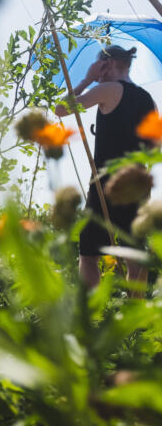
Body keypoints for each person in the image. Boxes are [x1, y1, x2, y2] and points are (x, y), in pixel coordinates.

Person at [55, 45, 157, 289]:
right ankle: (137, 314)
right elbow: (155, 148)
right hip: (138, 181)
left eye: (98, 66)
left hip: (106, 183)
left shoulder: (108, 88)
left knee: (89, 253)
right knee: (134, 252)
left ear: (107, 64)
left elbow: (61, 109)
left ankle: (91, 315)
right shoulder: (147, 99)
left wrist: (86, 79)